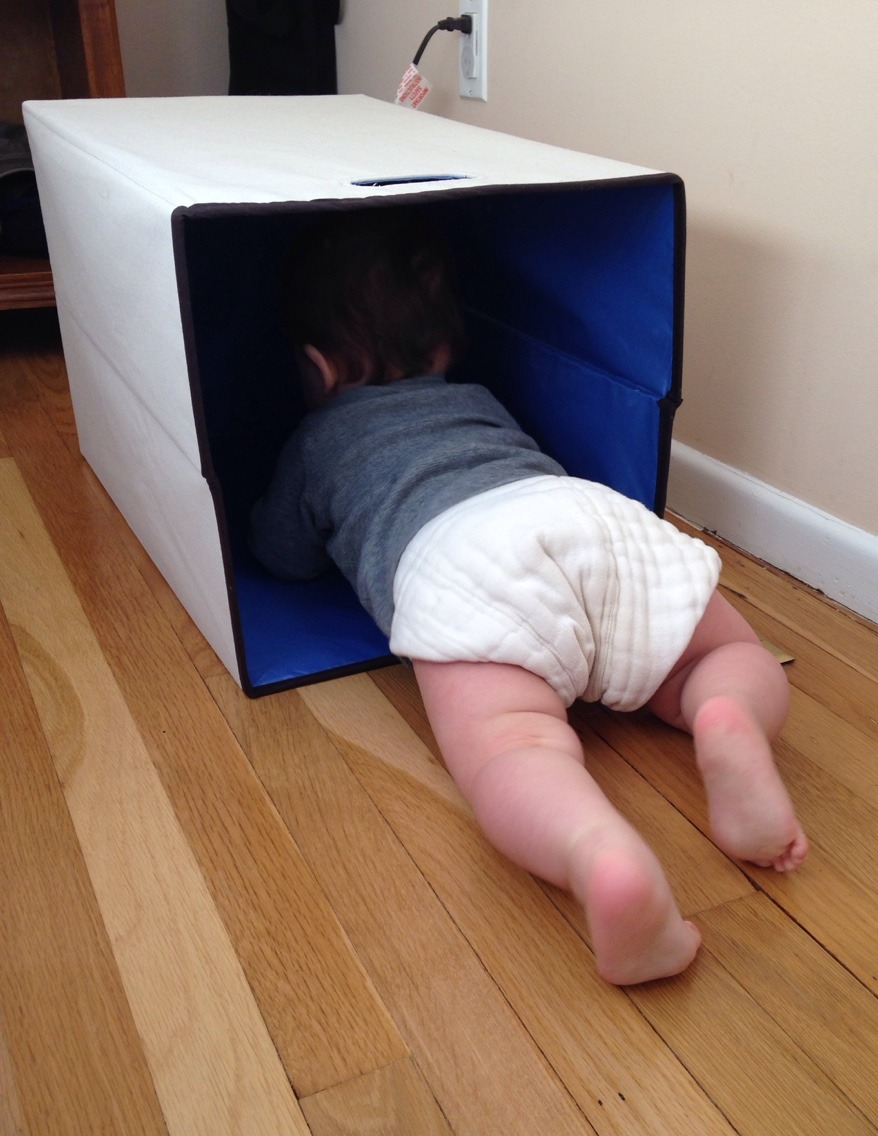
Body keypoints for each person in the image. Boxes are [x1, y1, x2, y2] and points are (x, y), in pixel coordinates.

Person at [250, 206, 808, 985]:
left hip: (463, 561)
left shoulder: (315, 443)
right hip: (583, 514)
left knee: (514, 745)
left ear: (316, 368)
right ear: (444, 348)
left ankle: (597, 852)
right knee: (723, 653)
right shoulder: (477, 398)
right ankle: (726, 714)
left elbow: (282, 556)